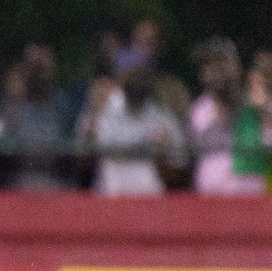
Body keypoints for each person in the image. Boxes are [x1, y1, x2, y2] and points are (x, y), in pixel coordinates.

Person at [79, 66, 189, 196]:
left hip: (150, 200)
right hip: (111, 198)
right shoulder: (103, 116)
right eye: (131, 76)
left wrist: (163, 155)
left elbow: (180, 167)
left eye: (141, 77)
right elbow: (83, 162)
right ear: (121, 80)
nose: (136, 81)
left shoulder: (164, 120)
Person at [0, 43, 77, 190]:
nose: (39, 75)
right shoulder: (10, 106)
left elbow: (77, 148)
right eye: (35, 68)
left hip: (57, 184)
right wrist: (13, 101)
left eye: (43, 69)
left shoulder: (64, 106)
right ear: (25, 70)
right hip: (19, 184)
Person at [188, 38, 265, 196]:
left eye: (223, 63)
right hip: (211, 202)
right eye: (210, 66)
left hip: (251, 199)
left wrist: (261, 110)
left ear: (237, 67)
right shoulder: (199, 110)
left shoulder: (259, 103)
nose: (218, 71)